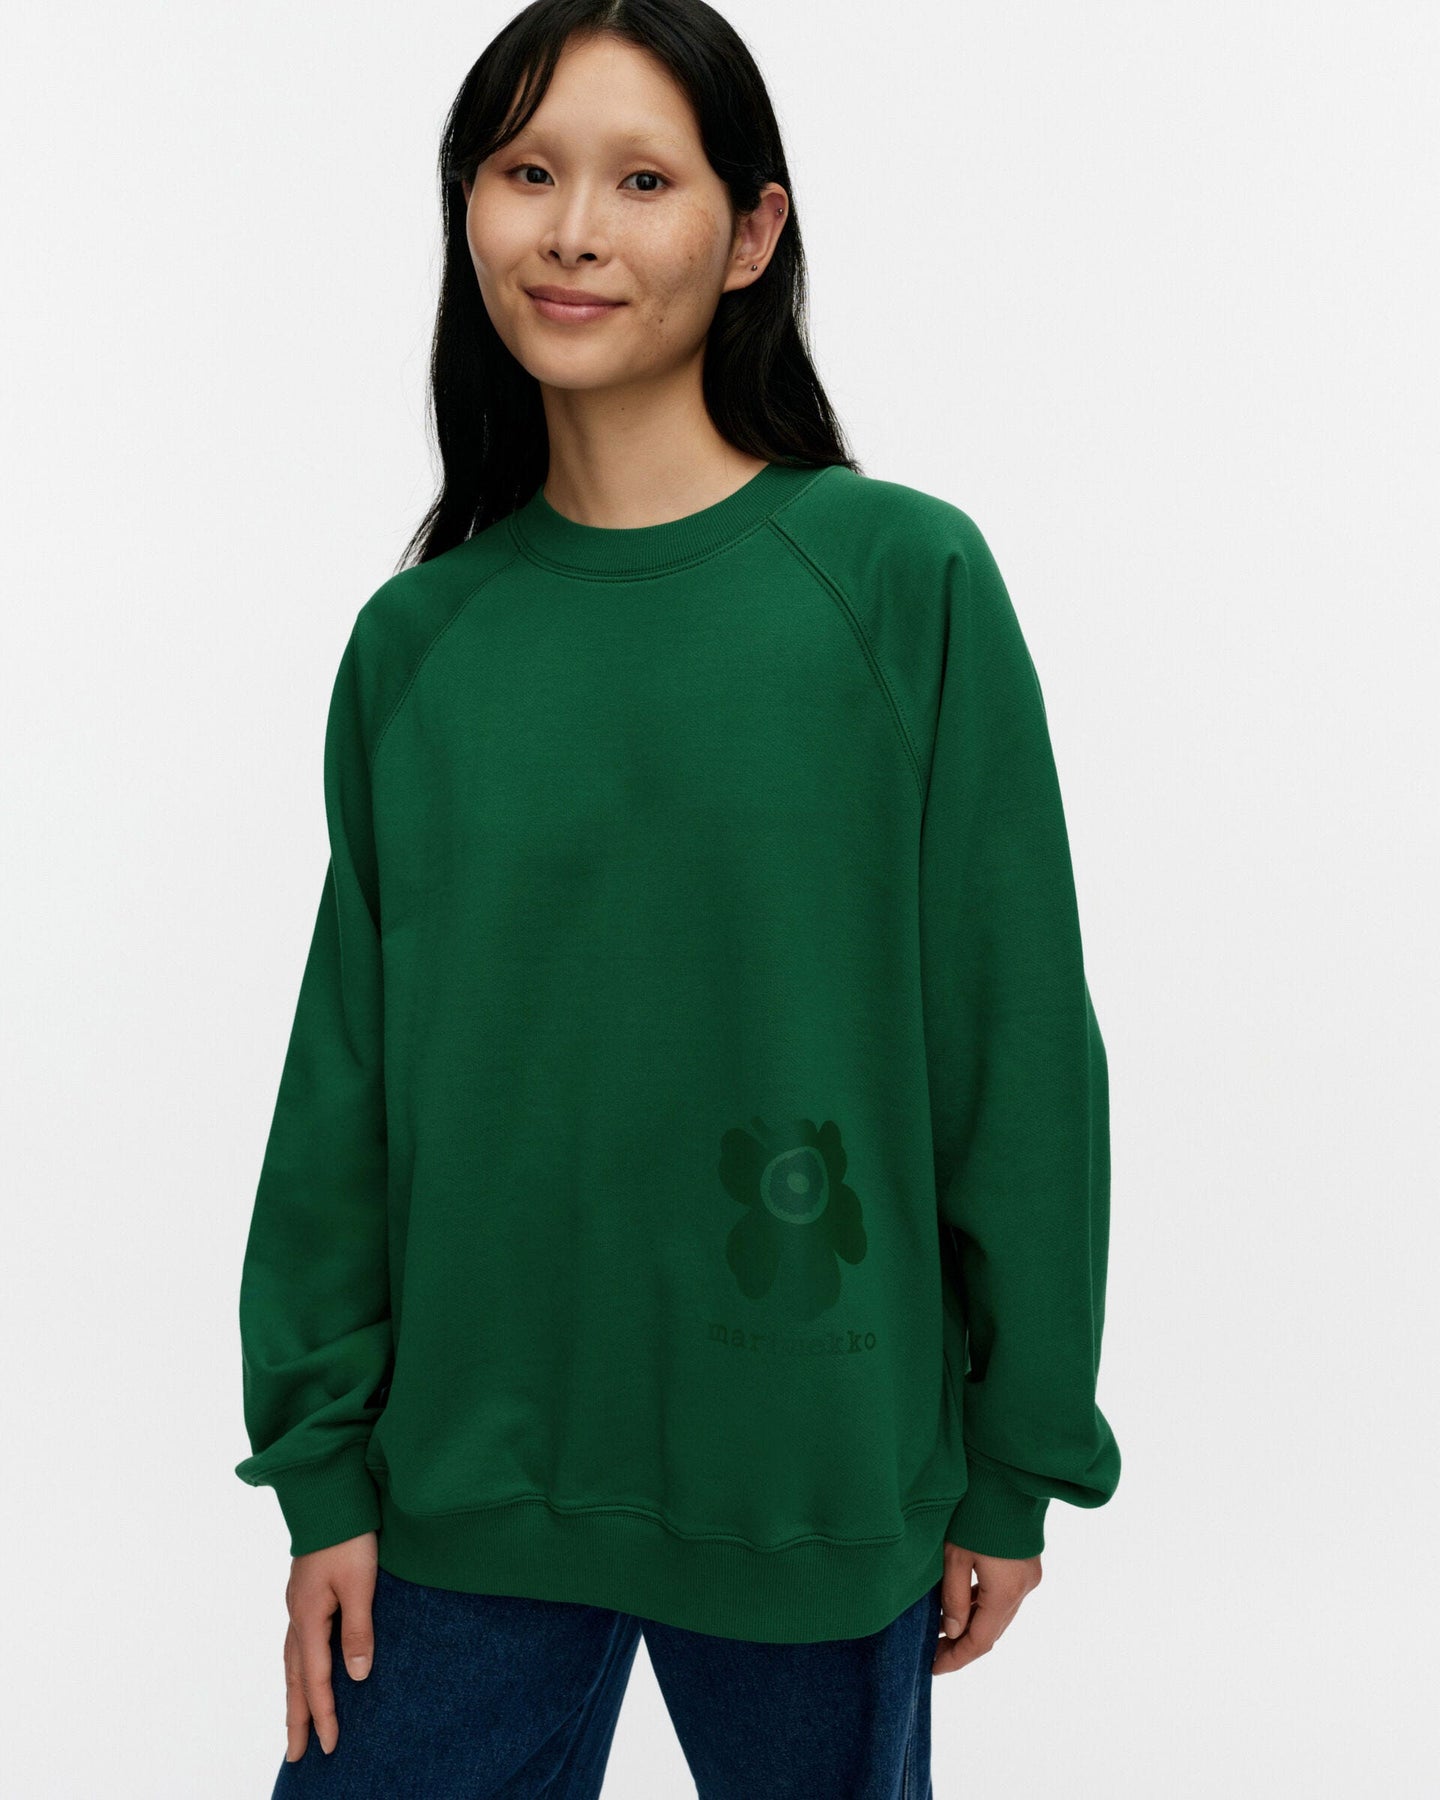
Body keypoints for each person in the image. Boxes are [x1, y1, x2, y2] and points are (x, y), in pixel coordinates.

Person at [233, 2, 1122, 1794]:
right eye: (526, 173)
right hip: (462, 1486)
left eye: (644, 180)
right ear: (467, 208)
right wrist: (321, 1469)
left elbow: (1014, 1042)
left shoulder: (901, 583)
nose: (574, 231)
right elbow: (345, 1088)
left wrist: (1015, 1458)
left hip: (812, 1465)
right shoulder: (420, 643)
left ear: (751, 233)